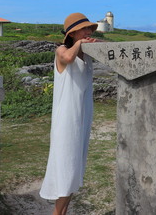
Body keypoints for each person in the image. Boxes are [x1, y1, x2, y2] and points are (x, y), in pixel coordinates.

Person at [40, 13, 101, 215]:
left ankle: (62, 212)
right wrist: (80, 44)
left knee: (75, 166)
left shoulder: (85, 52)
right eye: (84, 29)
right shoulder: (62, 50)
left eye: (90, 29)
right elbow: (67, 57)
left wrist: (94, 44)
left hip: (82, 116)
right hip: (66, 118)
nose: (88, 32)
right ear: (72, 33)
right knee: (66, 164)